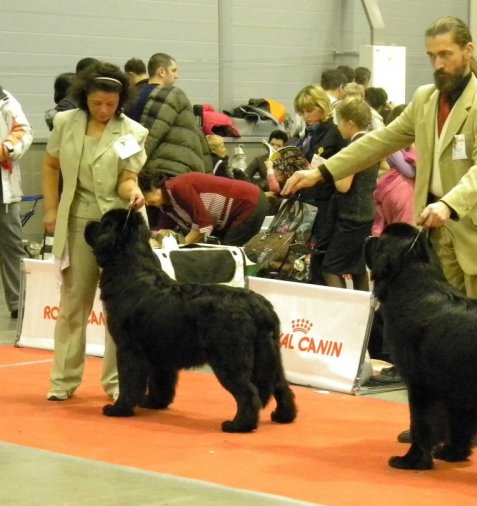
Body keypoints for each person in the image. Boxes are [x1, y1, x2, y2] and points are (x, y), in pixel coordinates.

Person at [282, 16, 477, 445]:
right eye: (431, 56)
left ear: (468, 50)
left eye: (446, 54)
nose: (438, 63)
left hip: (476, 228)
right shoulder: (425, 99)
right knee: (441, 336)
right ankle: (439, 420)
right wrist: (324, 171)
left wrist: (448, 203)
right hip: (435, 233)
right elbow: (379, 141)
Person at [41, 62, 148, 402]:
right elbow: (51, 164)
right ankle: (63, 380)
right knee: (74, 303)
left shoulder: (132, 132)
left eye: (111, 104)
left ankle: (118, 384)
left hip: (120, 225)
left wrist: (132, 190)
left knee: (123, 307)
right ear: (85, 97)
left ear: (121, 101)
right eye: (97, 103)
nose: (104, 110)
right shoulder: (64, 123)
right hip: (78, 220)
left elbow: (127, 178)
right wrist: (51, 209)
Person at [292, 84, 348, 285]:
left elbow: (344, 166)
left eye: (309, 110)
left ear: (322, 107)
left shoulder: (335, 133)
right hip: (307, 202)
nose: (306, 116)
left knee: (321, 259)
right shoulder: (307, 135)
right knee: (307, 257)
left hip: (326, 203)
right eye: (302, 112)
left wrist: (319, 172)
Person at [322, 97, 378, 290]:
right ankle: (364, 314)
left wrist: (328, 169)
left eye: (339, 122)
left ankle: (341, 311)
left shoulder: (354, 147)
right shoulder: (372, 142)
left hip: (351, 215)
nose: (337, 128)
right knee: (357, 267)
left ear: (350, 123)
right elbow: (384, 168)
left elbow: (343, 186)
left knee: (331, 267)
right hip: (366, 212)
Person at [138, 172, 269, 246]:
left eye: (145, 197)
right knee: (222, 252)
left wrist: (180, 247)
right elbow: (162, 228)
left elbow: (204, 224)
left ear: (154, 187)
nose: (147, 203)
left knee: (228, 254)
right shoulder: (165, 204)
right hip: (234, 212)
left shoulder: (178, 187)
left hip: (249, 202)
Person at [0, 87, 33, 318]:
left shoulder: (5, 99)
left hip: (4, 192)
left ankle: (19, 303)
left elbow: (23, 130)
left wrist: (6, 148)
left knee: (12, 247)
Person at [372, 104, 415, 236]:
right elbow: (410, 172)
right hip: (400, 190)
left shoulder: (396, 143)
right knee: (402, 234)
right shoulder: (394, 142)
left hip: (390, 189)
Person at [125, 52, 178, 122]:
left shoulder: (134, 96)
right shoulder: (173, 96)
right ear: (161, 72)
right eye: (173, 71)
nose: (177, 76)